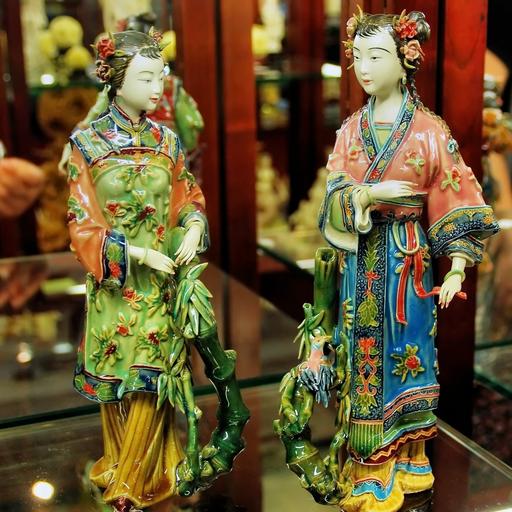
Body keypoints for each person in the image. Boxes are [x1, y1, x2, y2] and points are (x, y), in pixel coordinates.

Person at [276, 9, 499, 512]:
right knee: (366, 356)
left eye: (376, 56)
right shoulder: (350, 131)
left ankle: (412, 458)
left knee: (412, 352)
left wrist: (456, 266)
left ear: (406, 59)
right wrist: (368, 194)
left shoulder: (428, 130)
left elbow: (454, 195)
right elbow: (332, 196)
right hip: (362, 263)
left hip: (407, 262)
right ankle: (371, 469)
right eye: (357, 57)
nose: (364, 68)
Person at [67, 30, 249, 511]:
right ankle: (120, 462)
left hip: (161, 284)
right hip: (116, 284)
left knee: (154, 374)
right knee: (120, 382)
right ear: (115, 80)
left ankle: (136, 478)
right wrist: (138, 255)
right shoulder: (86, 144)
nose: (157, 88)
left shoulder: (167, 141)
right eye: (145, 77)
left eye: (160, 77)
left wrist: (194, 226)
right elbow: (81, 223)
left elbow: (188, 197)